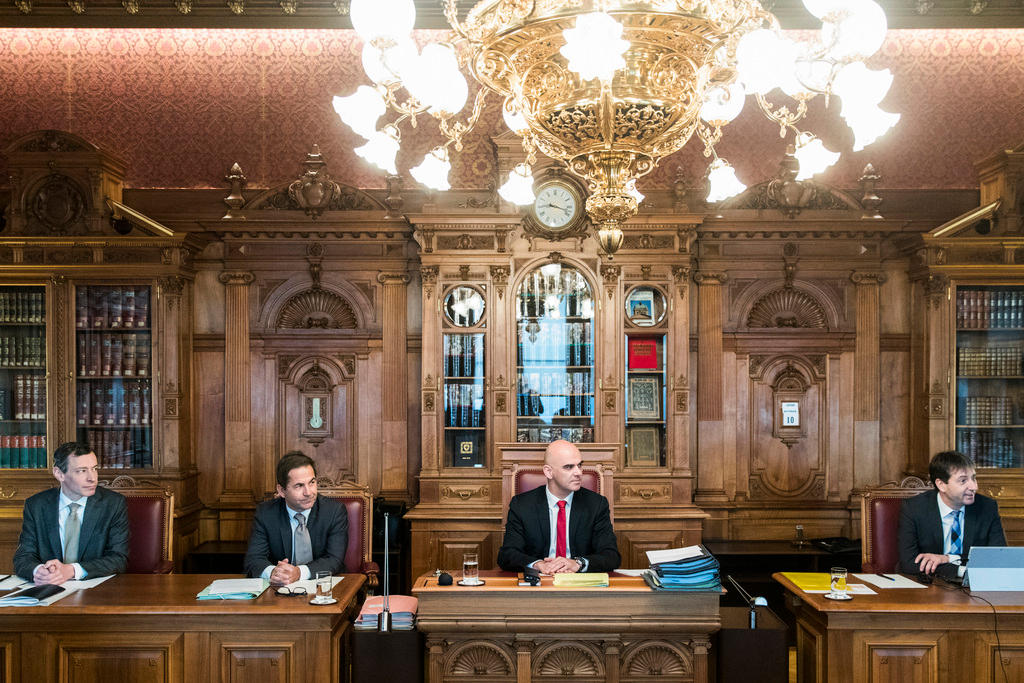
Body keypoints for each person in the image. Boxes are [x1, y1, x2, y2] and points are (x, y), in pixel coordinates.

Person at [13, 441, 129, 584]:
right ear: (59, 474)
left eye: (94, 468)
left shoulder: (113, 504)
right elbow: (23, 556)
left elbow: (119, 558)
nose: (92, 478)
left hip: (96, 592)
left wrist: (71, 570)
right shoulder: (36, 505)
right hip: (49, 590)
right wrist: (38, 571)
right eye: (81, 471)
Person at [497, 439, 620, 573]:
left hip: (579, 583)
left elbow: (611, 556)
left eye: (579, 465)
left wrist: (578, 563)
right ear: (549, 472)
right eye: (568, 467)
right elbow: (507, 555)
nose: (578, 472)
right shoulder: (522, 505)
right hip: (540, 583)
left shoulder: (596, 504)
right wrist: (538, 564)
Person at [897, 450, 1006, 580]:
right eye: (963, 480)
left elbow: (1000, 557)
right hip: (929, 587)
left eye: (974, 478)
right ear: (941, 485)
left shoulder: (987, 507)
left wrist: (948, 558)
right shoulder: (914, 508)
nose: (974, 487)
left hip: (975, 588)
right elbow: (909, 562)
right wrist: (960, 571)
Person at [244, 451, 348, 585]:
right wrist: (275, 573)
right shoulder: (266, 513)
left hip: (325, 586)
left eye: (312, 482)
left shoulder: (333, 512)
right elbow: (254, 559)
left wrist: (298, 573)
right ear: (281, 491)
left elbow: (334, 560)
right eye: (299, 486)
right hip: (280, 591)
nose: (309, 492)